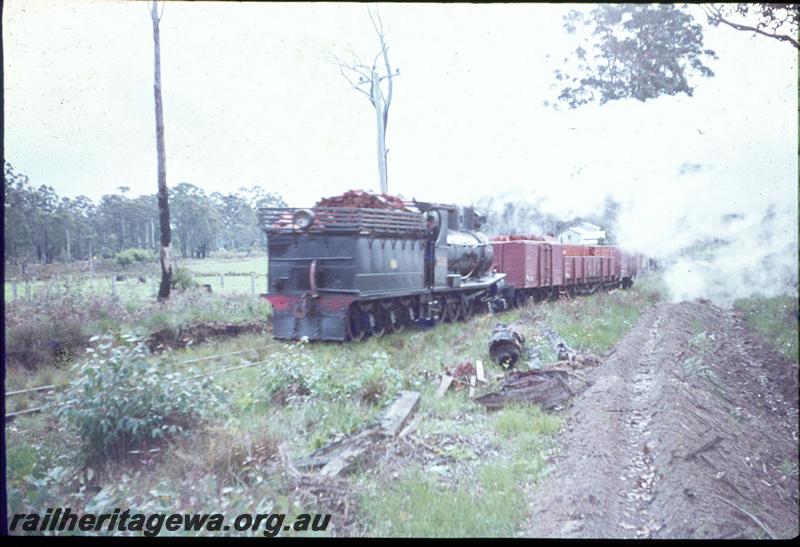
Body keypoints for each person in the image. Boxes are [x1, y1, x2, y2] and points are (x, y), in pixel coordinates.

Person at [424, 214, 438, 287]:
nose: (428, 224)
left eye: (430, 222)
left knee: (430, 266)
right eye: (428, 222)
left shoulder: (436, 230)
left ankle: (430, 282)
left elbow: (434, 239)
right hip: (427, 254)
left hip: (434, 255)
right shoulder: (427, 230)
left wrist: (428, 239)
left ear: (433, 222)